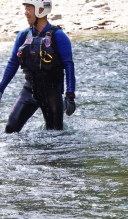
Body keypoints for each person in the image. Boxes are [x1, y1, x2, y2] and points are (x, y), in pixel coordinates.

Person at [0, 0, 76, 133]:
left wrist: (70, 96)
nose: (26, 12)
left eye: (29, 8)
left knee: (55, 136)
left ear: (41, 10)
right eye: (25, 8)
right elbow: (13, 63)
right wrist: (1, 88)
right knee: (10, 129)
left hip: (51, 92)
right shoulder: (23, 35)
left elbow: (69, 65)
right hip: (30, 89)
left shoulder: (58, 36)